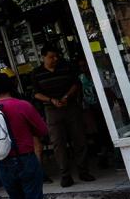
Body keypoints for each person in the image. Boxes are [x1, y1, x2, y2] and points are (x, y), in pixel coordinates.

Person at [32, 44, 94, 187]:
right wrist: (51, 100)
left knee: (79, 139)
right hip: (52, 111)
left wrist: (67, 96)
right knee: (58, 143)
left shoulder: (65, 67)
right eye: (51, 57)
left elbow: (76, 84)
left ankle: (83, 171)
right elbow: (36, 94)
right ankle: (65, 175)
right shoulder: (37, 73)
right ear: (43, 57)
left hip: (70, 107)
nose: (55, 59)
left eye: (56, 56)